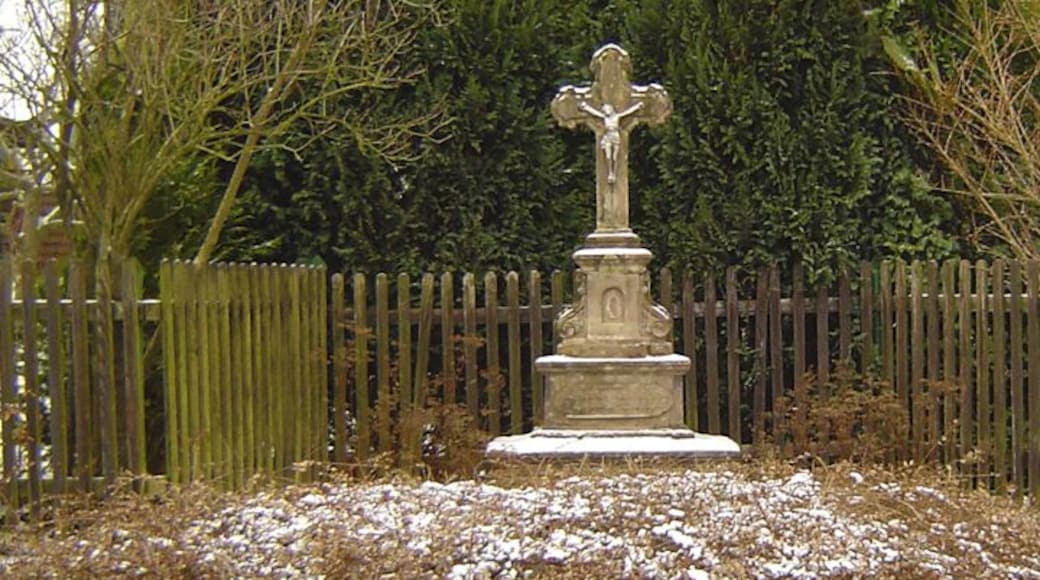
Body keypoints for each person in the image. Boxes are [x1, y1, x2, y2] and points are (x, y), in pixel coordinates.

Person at [578, 101, 644, 184]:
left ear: (611, 109)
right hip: (607, 136)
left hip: (615, 136)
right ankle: (610, 173)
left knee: (614, 157)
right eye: (604, 110)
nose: (606, 111)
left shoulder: (617, 116)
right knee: (608, 156)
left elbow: (627, 112)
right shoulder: (604, 117)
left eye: (607, 109)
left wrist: (637, 107)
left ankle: (614, 173)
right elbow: (595, 113)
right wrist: (586, 107)